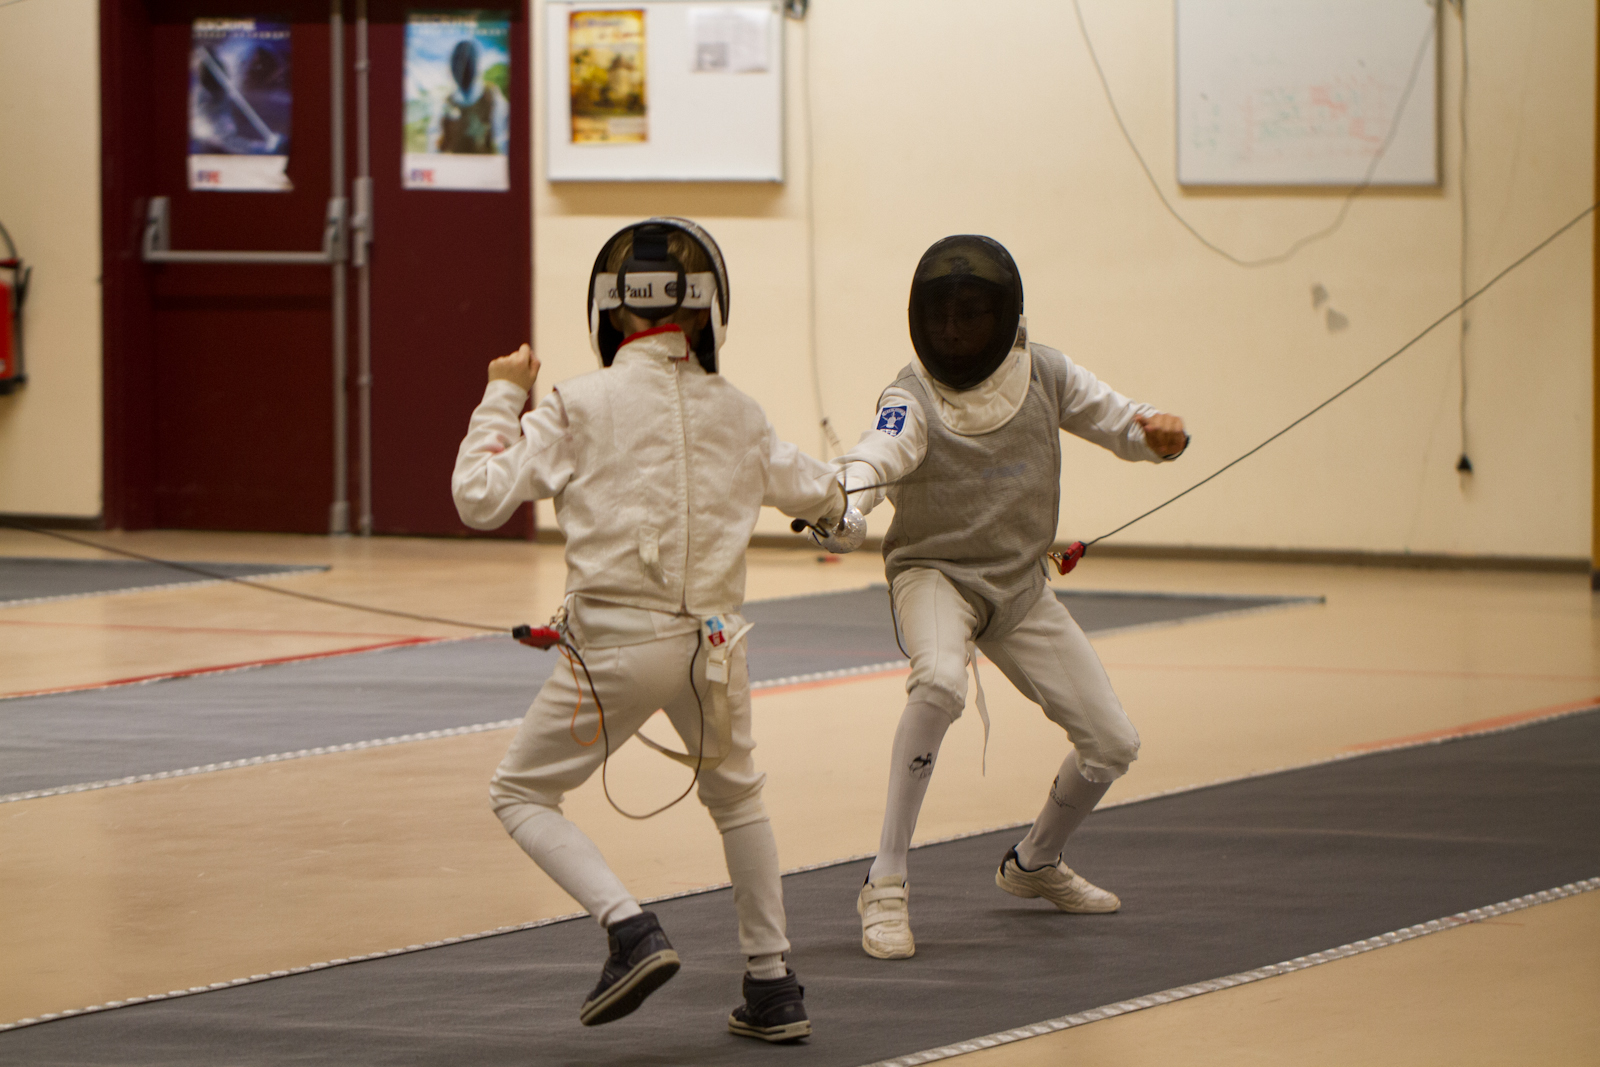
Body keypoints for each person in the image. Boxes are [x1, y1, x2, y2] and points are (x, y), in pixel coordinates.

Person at [451, 218, 852, 1039]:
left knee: (520, 792)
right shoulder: (740, 412)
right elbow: (832, 507)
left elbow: (478, 496)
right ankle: (774, 986)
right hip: (714, 650)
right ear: (708, 310)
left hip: (615, 651)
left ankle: (630, 928)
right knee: (738, 799)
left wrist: (502, 392)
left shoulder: (576, 403)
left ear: (611, 307)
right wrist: (849, 502)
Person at [832, 235, 1188, 960]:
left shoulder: (1044, 372)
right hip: (936, 575)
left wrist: (1157, 432)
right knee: (939, 681)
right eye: (942, 316)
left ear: (1004, 318)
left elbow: (1122, 420)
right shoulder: (911, 395)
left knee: (1112, 743)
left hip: (1019, 586)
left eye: (970, 314)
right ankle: (885, 881)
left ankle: (1034, 862)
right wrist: (841, 500)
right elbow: (876, 455)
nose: (953, 331)